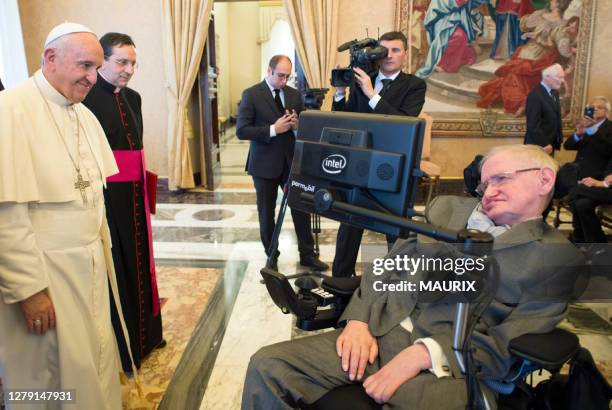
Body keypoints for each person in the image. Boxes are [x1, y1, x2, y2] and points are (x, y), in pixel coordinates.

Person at [242, 144, 584, 409]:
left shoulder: (556, 258)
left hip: (452, 366)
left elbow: (507, 345)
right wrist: (359, 321)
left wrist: (425, 354)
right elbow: (388, 265)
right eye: (484, 184)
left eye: (501, 178)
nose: (488, 190)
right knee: (267, 365)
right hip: (381, 332)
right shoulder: (447, 210)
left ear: (544, 179)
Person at [0, 23, 127, 409]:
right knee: (45, 377)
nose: (93, 77)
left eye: (96, 67)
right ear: (50, 59)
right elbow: (7, 214)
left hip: (85, 266)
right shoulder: (11, 111)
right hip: (47, 274)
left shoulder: (81, 113)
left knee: (92, 362)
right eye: (85, 66)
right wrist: (29, 290)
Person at [83, 32, 163, 372]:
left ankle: (148, 337)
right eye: (122, 62)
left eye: (133, 63)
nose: (129, 70)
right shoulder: (85, 99)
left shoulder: (134, 97)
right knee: (118, 267)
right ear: (103, 60)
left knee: (143, 263)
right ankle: (126, 346)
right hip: (108, 200)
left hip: (134, 196)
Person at [331, 31, 426, 278]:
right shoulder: (362, 79)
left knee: (394, 229)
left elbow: (404, 123)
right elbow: (346, 121)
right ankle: (340, 281)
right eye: (385, 50)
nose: (389, 55)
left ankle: (397, 283)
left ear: (405, 54)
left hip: (393, 168)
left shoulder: (415, 85)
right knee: (350, 227)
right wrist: (340, 94)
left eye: (396, 50)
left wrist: (372, 95)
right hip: (359, 165)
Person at [236, 55, 327, 271]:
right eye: (280, 76)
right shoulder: (251, 94)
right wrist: (272, 130)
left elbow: (305, 129)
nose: (284, 81)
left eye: (287, 76)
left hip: (291, 162)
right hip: (264, 164)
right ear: (269, 71)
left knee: (301, 208)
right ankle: (271, 257)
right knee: (266, 213)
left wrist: (297, 126)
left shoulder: (294, 95)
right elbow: (242, 130)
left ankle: (307, 255)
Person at [477, 1, 577, 115]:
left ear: (559, 4)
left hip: (541, 56)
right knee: (514, 74)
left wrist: (572, 50)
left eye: (553, 0)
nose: (550, 1)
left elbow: (563, 48)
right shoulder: (542, 14)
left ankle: (522, 103)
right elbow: (524, 26)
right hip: (528, 51)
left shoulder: (562, 25)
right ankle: (521, 102)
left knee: (516, 76)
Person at [564, 96, 612, 243]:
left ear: (607, 111)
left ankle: (587, 240)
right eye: (592, 107)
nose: (595, 109)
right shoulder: (586, 126)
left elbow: (607, 148)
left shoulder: (609, 128)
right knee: (579, 204)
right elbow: (568, 146)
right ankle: (584, 239)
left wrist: (592, 131)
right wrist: (579, 133)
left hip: (598, 179)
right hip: (581, 175)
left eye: (599, 107)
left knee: (578, 200)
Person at [414, 0, 488, 78]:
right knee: (457, 36)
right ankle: (443, 63)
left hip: (454, 21)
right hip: (441, 21)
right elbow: (443, 6)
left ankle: (448, 63)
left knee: (461, 36)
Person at [523, 63, 565, 155]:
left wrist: (558, 140)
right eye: (560, 77)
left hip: (550, 144)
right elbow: (533, 125)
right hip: (538, 146)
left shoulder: (554, 93)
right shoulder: (535, 95)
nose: (562, 81)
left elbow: (555, 118)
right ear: (547, 77)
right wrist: (544, 144)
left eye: (563, 77)